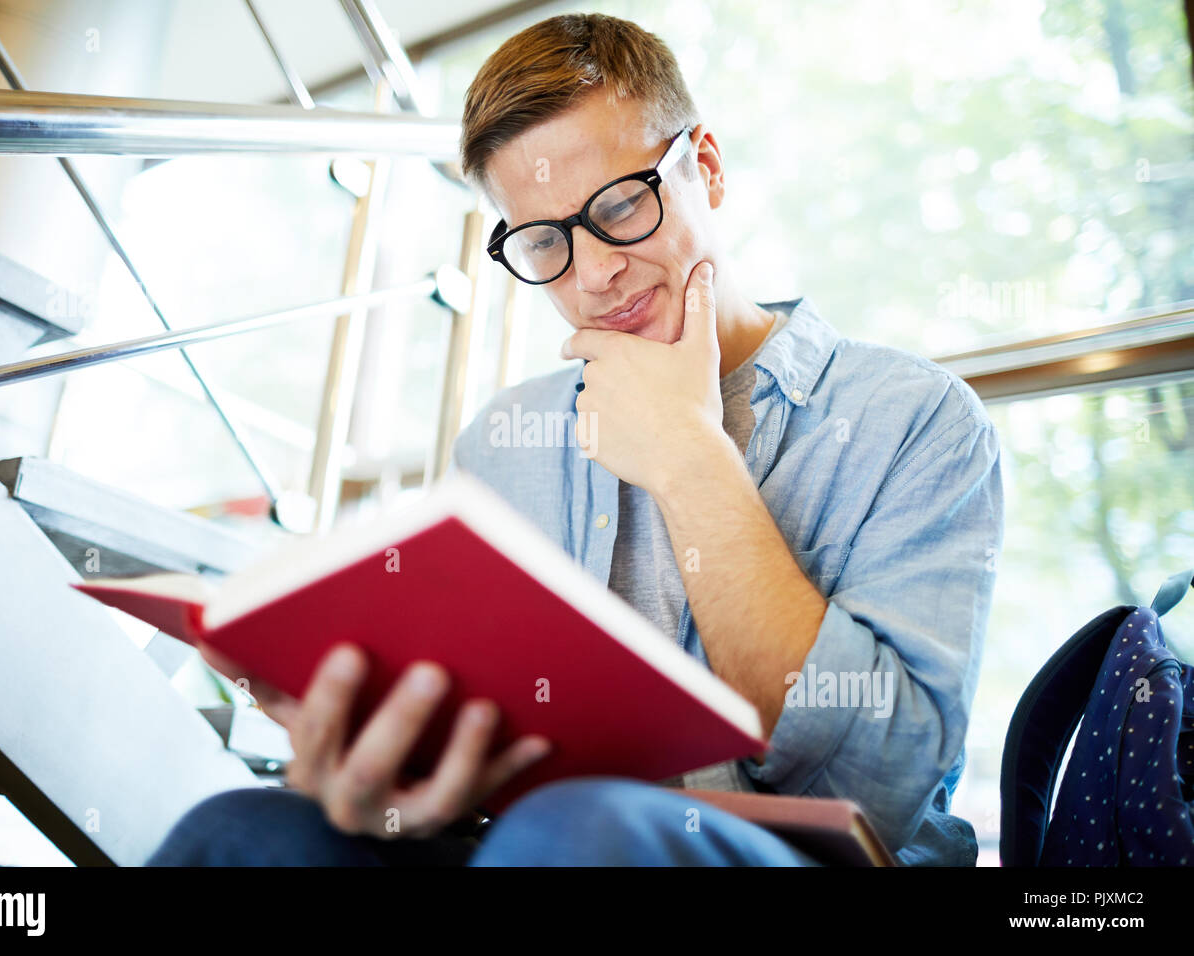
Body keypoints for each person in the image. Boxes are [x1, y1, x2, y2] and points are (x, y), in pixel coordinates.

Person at [148, 12, 1003, 867]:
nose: (594, 274)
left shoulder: (912, 418)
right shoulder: (503, 445)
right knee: (239, 830)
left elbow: (884, 787)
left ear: (704, 166)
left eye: (623, 205)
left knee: (580, 830)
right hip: (521, 843)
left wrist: (690, 455)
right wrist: (396, 778)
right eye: (546, 241)